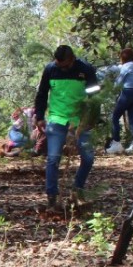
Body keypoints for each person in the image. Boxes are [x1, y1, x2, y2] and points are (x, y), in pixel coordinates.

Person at [34, 44, 98, 210]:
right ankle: (52, 196)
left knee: (88, 158)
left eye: (64, 65)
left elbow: (94, 97)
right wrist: (39, 116)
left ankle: (77, 190)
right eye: (58, 64)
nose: (60, 68)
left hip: (80, 120)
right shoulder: (50, 69)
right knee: (53, 158)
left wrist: (91, 118)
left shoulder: (86, 70)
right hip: (57, 119)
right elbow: (41, 93)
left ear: (72, 59)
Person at [104, 47, 133, 154]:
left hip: (128, 92)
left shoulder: (127, 66)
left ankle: (116, 143)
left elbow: (119, 82)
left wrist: (110, 87)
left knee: (115, 117)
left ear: (123, 58)